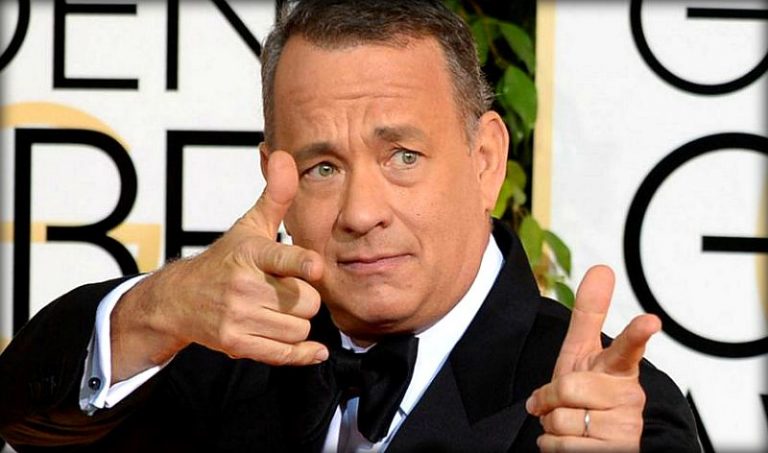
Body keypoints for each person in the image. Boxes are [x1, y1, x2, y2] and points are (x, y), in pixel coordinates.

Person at [0, 0, 699, 451]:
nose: (362, 213)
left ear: (485, 160)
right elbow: (22, 419)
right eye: (322, 167)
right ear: (273, 173)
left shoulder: (606, 413)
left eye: (403, 156)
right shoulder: (215, 359)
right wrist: (156, 308)